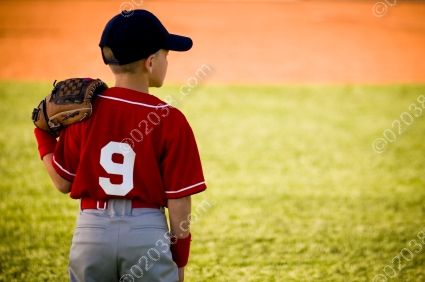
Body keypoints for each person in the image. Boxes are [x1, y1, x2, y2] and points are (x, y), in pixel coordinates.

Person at [33, 9, 207, 282]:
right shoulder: (170, 119)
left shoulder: (84, 113)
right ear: (151, 62)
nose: (167, 62)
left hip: (92, 231)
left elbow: (63, 182)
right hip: (145, 232)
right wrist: (180, 260)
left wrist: (41, 133)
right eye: (166, 55)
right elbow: (179, 201)